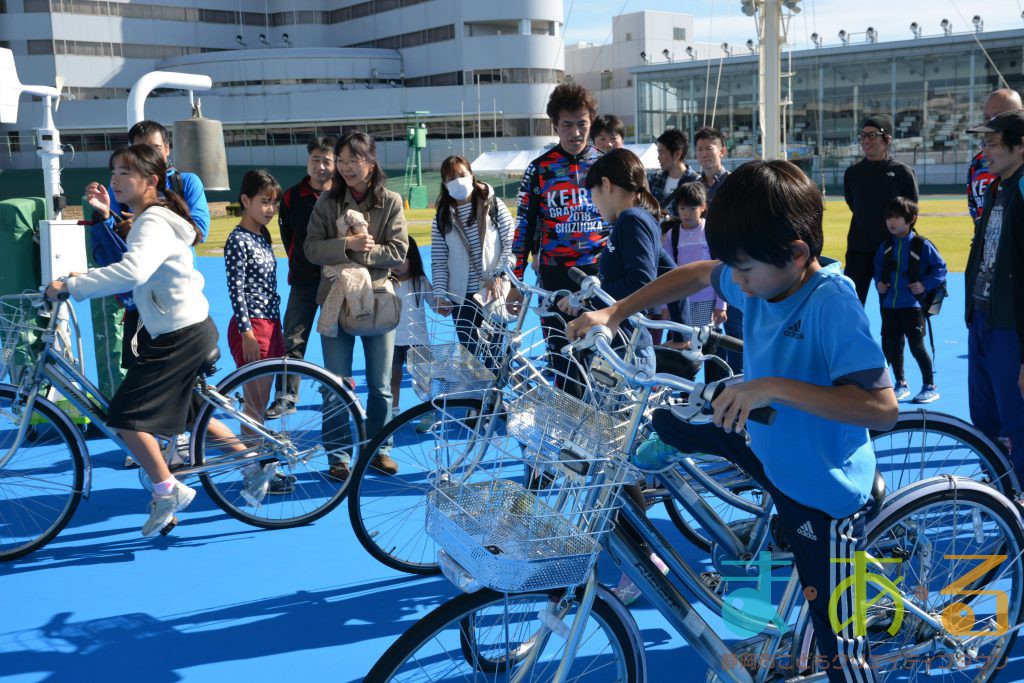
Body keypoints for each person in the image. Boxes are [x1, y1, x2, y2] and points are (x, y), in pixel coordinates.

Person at [567, 160, 899, 682]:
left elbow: (882, 408)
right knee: (675, 420)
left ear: (795, 253)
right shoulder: (761, 277)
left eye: (743, 270)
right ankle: (700, 498)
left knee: (839, 648)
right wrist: (616, 312)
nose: (736, 281)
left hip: (821, 488)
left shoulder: (831, 303)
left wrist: (769, 387)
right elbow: (699, 273)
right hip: (770, 444)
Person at [47, 144, 220, 536]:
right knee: (194, 412)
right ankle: (252, 460)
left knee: (124, 417)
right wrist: (82, 277)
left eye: (125, 172)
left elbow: (134, 270)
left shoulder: (152, 221)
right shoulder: (151, 218)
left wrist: (73, 286)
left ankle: (166, 489)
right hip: (182, 327)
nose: (115, 179)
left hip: (180, 333)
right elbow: (137, 267)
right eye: (113, 172)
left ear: (151, 181)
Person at [305, 132, 408, 478]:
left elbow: (398, 252)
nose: (346, 169)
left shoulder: (391, 201)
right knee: (335, 382)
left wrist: (362, 252)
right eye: (342, 162)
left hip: (377, 298)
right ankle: (338, 456)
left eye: (354, 161)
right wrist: (347, 244)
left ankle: (379, 449)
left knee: (380, 386)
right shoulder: (326, 202)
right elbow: (311, 249)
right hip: (335, 298)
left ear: (370, 161)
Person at [508, 83, 606, 390]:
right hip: (555, 277)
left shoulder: (606, 165)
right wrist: (516, 284)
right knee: (564, 362)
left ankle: (606, 431)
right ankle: (572, 433)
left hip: (600, 273)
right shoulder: (539, 170)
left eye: (582, 125)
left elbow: (623, 222)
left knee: (604, 361)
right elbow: (524, 227)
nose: (576, 133)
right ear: (555, 126)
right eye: (567, 125)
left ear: (591, 123)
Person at [965, 110, 1024, 469]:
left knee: (1016, 417)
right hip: (984, 315)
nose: (985, 151)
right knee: (984, 416)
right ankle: (998, 485)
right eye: (983, 142)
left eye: (992, 143)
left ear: (1020, 146)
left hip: (1010, 325)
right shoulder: (997, 187)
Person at [266, 136, 336, 419]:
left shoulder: (342, 194)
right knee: (293, 339)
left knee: (336, 339)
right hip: (303, 281)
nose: (321, 166)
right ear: (308, 162)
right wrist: (302, 263)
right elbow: (288, 236)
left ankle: (336, 392)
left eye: (327, 161)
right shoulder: (292, 196)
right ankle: (285, 397)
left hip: (337, 282)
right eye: (315, 160)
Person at [431, 155, 515, 355]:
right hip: (460, 298)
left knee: (495, 354)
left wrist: (498, 276)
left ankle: (497, 385)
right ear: (444, 183)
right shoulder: (442, 217)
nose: (458, 181)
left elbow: (512, 244)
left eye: (462, 174)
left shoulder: (494, 204)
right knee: (471, 355)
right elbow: (439, 261)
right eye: (451, 178)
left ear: (472, 176)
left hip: (493, 292)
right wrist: (440, 295)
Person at [873, 197, 947, 404]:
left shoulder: (921, 245)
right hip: (889, 305)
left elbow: (941, 268)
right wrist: (879, 282)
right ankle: (900, 383)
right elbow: (878, 268)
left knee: (916, 346)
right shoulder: (885, 246)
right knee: (891, 345)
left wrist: (924, 284)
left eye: (897, 217)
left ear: (911, 219)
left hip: (912, 306)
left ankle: (929, 385)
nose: (891, 222)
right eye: (889, 217)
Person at [843, 114, 919, 305]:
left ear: (887, 139)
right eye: (863, 135)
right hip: (858, 250)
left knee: (892, 309)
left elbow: (910, 212)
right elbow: (854, 205)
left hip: (892, 250)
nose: (866, 140)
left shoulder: (903, 172)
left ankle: (892, 337)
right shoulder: (852, 173)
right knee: (851, 305)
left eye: (872, 135)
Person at [967, 89, 1023, 225]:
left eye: (998, 116)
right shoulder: (977, 163)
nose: (991, 122)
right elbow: (975, 209)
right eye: (986, 117)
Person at [391, 236, 431, 419]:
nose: (396, 263)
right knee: (393, 379)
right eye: (393, 258)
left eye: (402, 258)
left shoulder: (420, 281)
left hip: (418, 341)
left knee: (425, 379)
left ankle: (429, 413)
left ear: (412, 259)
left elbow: (435, 304)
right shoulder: (386, 283)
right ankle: (392, 412)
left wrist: (445, 305)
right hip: (391, 341)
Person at [648, 128, 700, 217]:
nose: (658, 157)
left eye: (661, 153)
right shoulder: (655, 178)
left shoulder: (696, 182)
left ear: (677, 154)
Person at [694, 126, 730, 202]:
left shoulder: (732, 181)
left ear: (722, 152)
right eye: (699, 149)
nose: (704, 154)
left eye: (709, 149)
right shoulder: (694, 186)